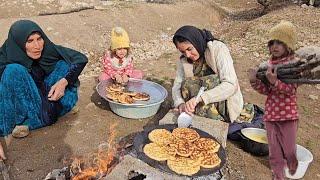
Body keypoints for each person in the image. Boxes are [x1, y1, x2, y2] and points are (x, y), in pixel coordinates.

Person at [0, 20, 88, 155]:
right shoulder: (4, 58)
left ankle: (60, 107)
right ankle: (28, 121)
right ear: (18, 42)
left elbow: (80, 58)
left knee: (64, 63)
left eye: (39, 39)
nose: (37, 46)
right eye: (30, 41)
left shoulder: (46, 49)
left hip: (46, 92)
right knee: (13, 70)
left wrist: (63, 82)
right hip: (27, 103)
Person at [248, 21, 299, 180]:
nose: (274, 46)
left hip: (288, 116)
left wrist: (275, 82)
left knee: (288, 149)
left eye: (280, 43)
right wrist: (254, 81)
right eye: (272, 43)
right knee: (275, 152)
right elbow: (267, 91)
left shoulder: (293, 66)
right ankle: (278, 176)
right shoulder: (269, 65)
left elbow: (291, 90)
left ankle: (292, 165)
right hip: (270, 115)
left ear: (288, 45)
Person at [172, 25, 244, 123]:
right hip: (196, 102)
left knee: (211, 80)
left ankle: (219, 118)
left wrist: (201, 98)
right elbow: (177, 85)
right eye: (183, 52)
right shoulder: (184, 60)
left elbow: (230, 84)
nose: (188, 55)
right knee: (186, 83)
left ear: (196, 41)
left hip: (221, 103)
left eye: (189, 49)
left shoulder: (218, 49)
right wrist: (180, 104)